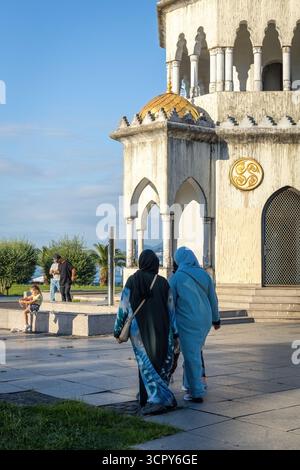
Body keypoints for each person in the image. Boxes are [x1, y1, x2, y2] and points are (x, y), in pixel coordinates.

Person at [114, 249, 178, 416]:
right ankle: (156, 398)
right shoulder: (163, 282)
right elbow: (171, 310)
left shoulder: (132, 281)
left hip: (138, 331)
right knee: (160, 361)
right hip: (163, 330)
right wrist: (176, 332)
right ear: (155, 264)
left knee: (146, 364)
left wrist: (117, 329)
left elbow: (123, 306)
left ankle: (156, 399)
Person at [169, 247, 221, 403]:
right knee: (194, 352)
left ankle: (196, 392)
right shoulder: (205, 275)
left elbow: (170, 303)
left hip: (187, 321)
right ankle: (189, 384)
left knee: (192, 356)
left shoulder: (177, 278)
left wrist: (170, 325)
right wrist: (216, 319)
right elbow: (213, 299)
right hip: (203, 321)